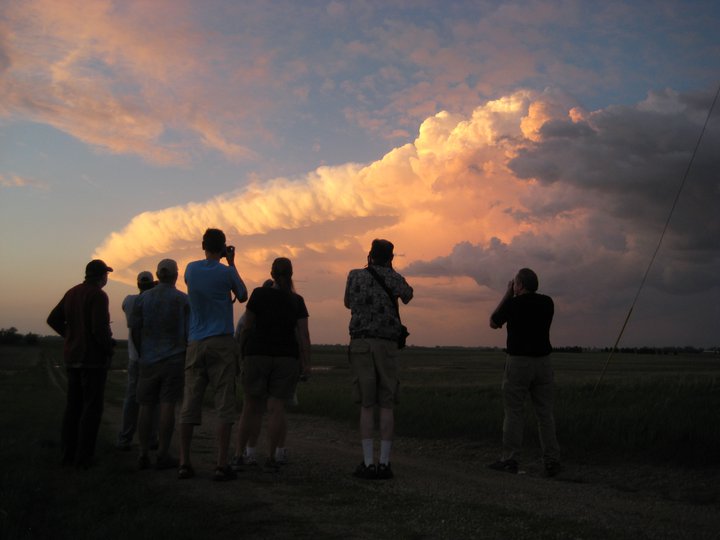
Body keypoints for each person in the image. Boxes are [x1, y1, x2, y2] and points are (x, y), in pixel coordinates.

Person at [178, 228, 248, 481]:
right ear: (223, 247)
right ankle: (220, 464)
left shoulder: (190, 269)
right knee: (224, 404)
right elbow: (242, 295)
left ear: (203, 246)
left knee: (190, 403)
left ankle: (184, 462)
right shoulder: (226, 271)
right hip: (221, 342)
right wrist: (231, 263)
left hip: (196, 342)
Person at [344, 239, 413, 480]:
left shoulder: (355, 275)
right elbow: (408, 295)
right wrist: (390, 272)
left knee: (366, 404)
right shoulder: (394, 278)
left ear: (370, 255)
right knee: (386, 404)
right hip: (387, 345)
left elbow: (347, 303)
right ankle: (384, 463)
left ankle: (367, 462)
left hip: (362, 342)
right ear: (391, 257)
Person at [233, 258, 311, 471]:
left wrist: (241, 354)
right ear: (291, 274)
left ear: (272, 273)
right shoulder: (297, 301)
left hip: (256, 354)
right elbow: (304, 336)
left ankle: (241, 455)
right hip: (286, 358)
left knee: (250, 407)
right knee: (276, 408)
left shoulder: (259, 294)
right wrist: (307, 363)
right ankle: (271, 458)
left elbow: (247, 327)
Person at [488, 267, 561, 477]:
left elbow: (493, 322)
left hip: (519, 362)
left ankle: (510, 459)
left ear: (519, 285)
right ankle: (552, 461)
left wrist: (507, 293)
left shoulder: (513, 303)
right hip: (544, 363)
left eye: (515, 284)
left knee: (514, 412)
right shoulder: (548, 302)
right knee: (545, 414)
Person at [47, 259, 116, 469]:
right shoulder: (98, 295)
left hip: (73, 358)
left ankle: (67, 454)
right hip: (92, 361)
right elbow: (98, 329)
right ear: (100, 276)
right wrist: (108, 349)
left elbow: (53, 319)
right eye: (106, 274)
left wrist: (70, 335)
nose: (107, 278)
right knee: (92, 409)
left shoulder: (72, 292)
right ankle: (84, 458)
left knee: (73, 408)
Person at [131, 259, 189, 471]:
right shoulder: (183, 300)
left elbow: (135, 329)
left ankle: (143, 452)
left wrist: (141, 352)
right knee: (167, 406)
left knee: (146, 406)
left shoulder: (143, 299)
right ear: (175, 275)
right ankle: (163, 453)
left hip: (148, 360)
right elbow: (188, 331)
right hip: (174, 360)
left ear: (158, 274)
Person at [116, 271, 158, 451]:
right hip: (153, 359)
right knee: (152, 402)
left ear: (138, 284)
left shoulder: (129, 300)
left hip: (135, 358)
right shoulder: (155, 302)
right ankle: (150, 439)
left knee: (132, 399)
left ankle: (125, 438)